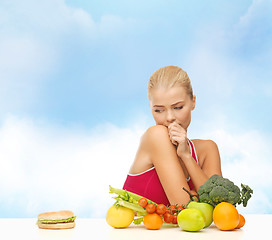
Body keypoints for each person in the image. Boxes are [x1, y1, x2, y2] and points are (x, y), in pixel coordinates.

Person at [123, 66, 222, 206]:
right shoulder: (155, 135)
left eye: (177, 107)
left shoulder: (207, 149)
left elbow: (219, 207)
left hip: (181, 229)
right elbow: (182, 206)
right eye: (159, 110)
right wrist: (196, 196)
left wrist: (186, 156)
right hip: (136, 228)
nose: (169, 118)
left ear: (193, 102)